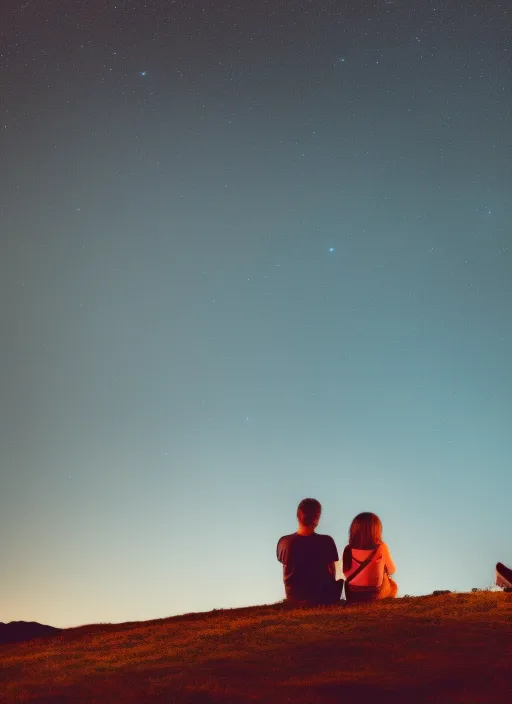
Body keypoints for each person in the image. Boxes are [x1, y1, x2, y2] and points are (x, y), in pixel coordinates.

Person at [277, 498, 342, 606]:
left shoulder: (283, 542)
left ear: (298, 515)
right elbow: (332, 572)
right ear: (317, 518)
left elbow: (285, 565)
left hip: (294, 598)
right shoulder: (327, 541)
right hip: (323, 598)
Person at [342, 512, 397, 603]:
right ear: (377, 530)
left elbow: (346, 573)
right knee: (393, 586)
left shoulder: (348, 549)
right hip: (374, 594)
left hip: (353, 595)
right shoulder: (382, 547)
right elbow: (392, 570)